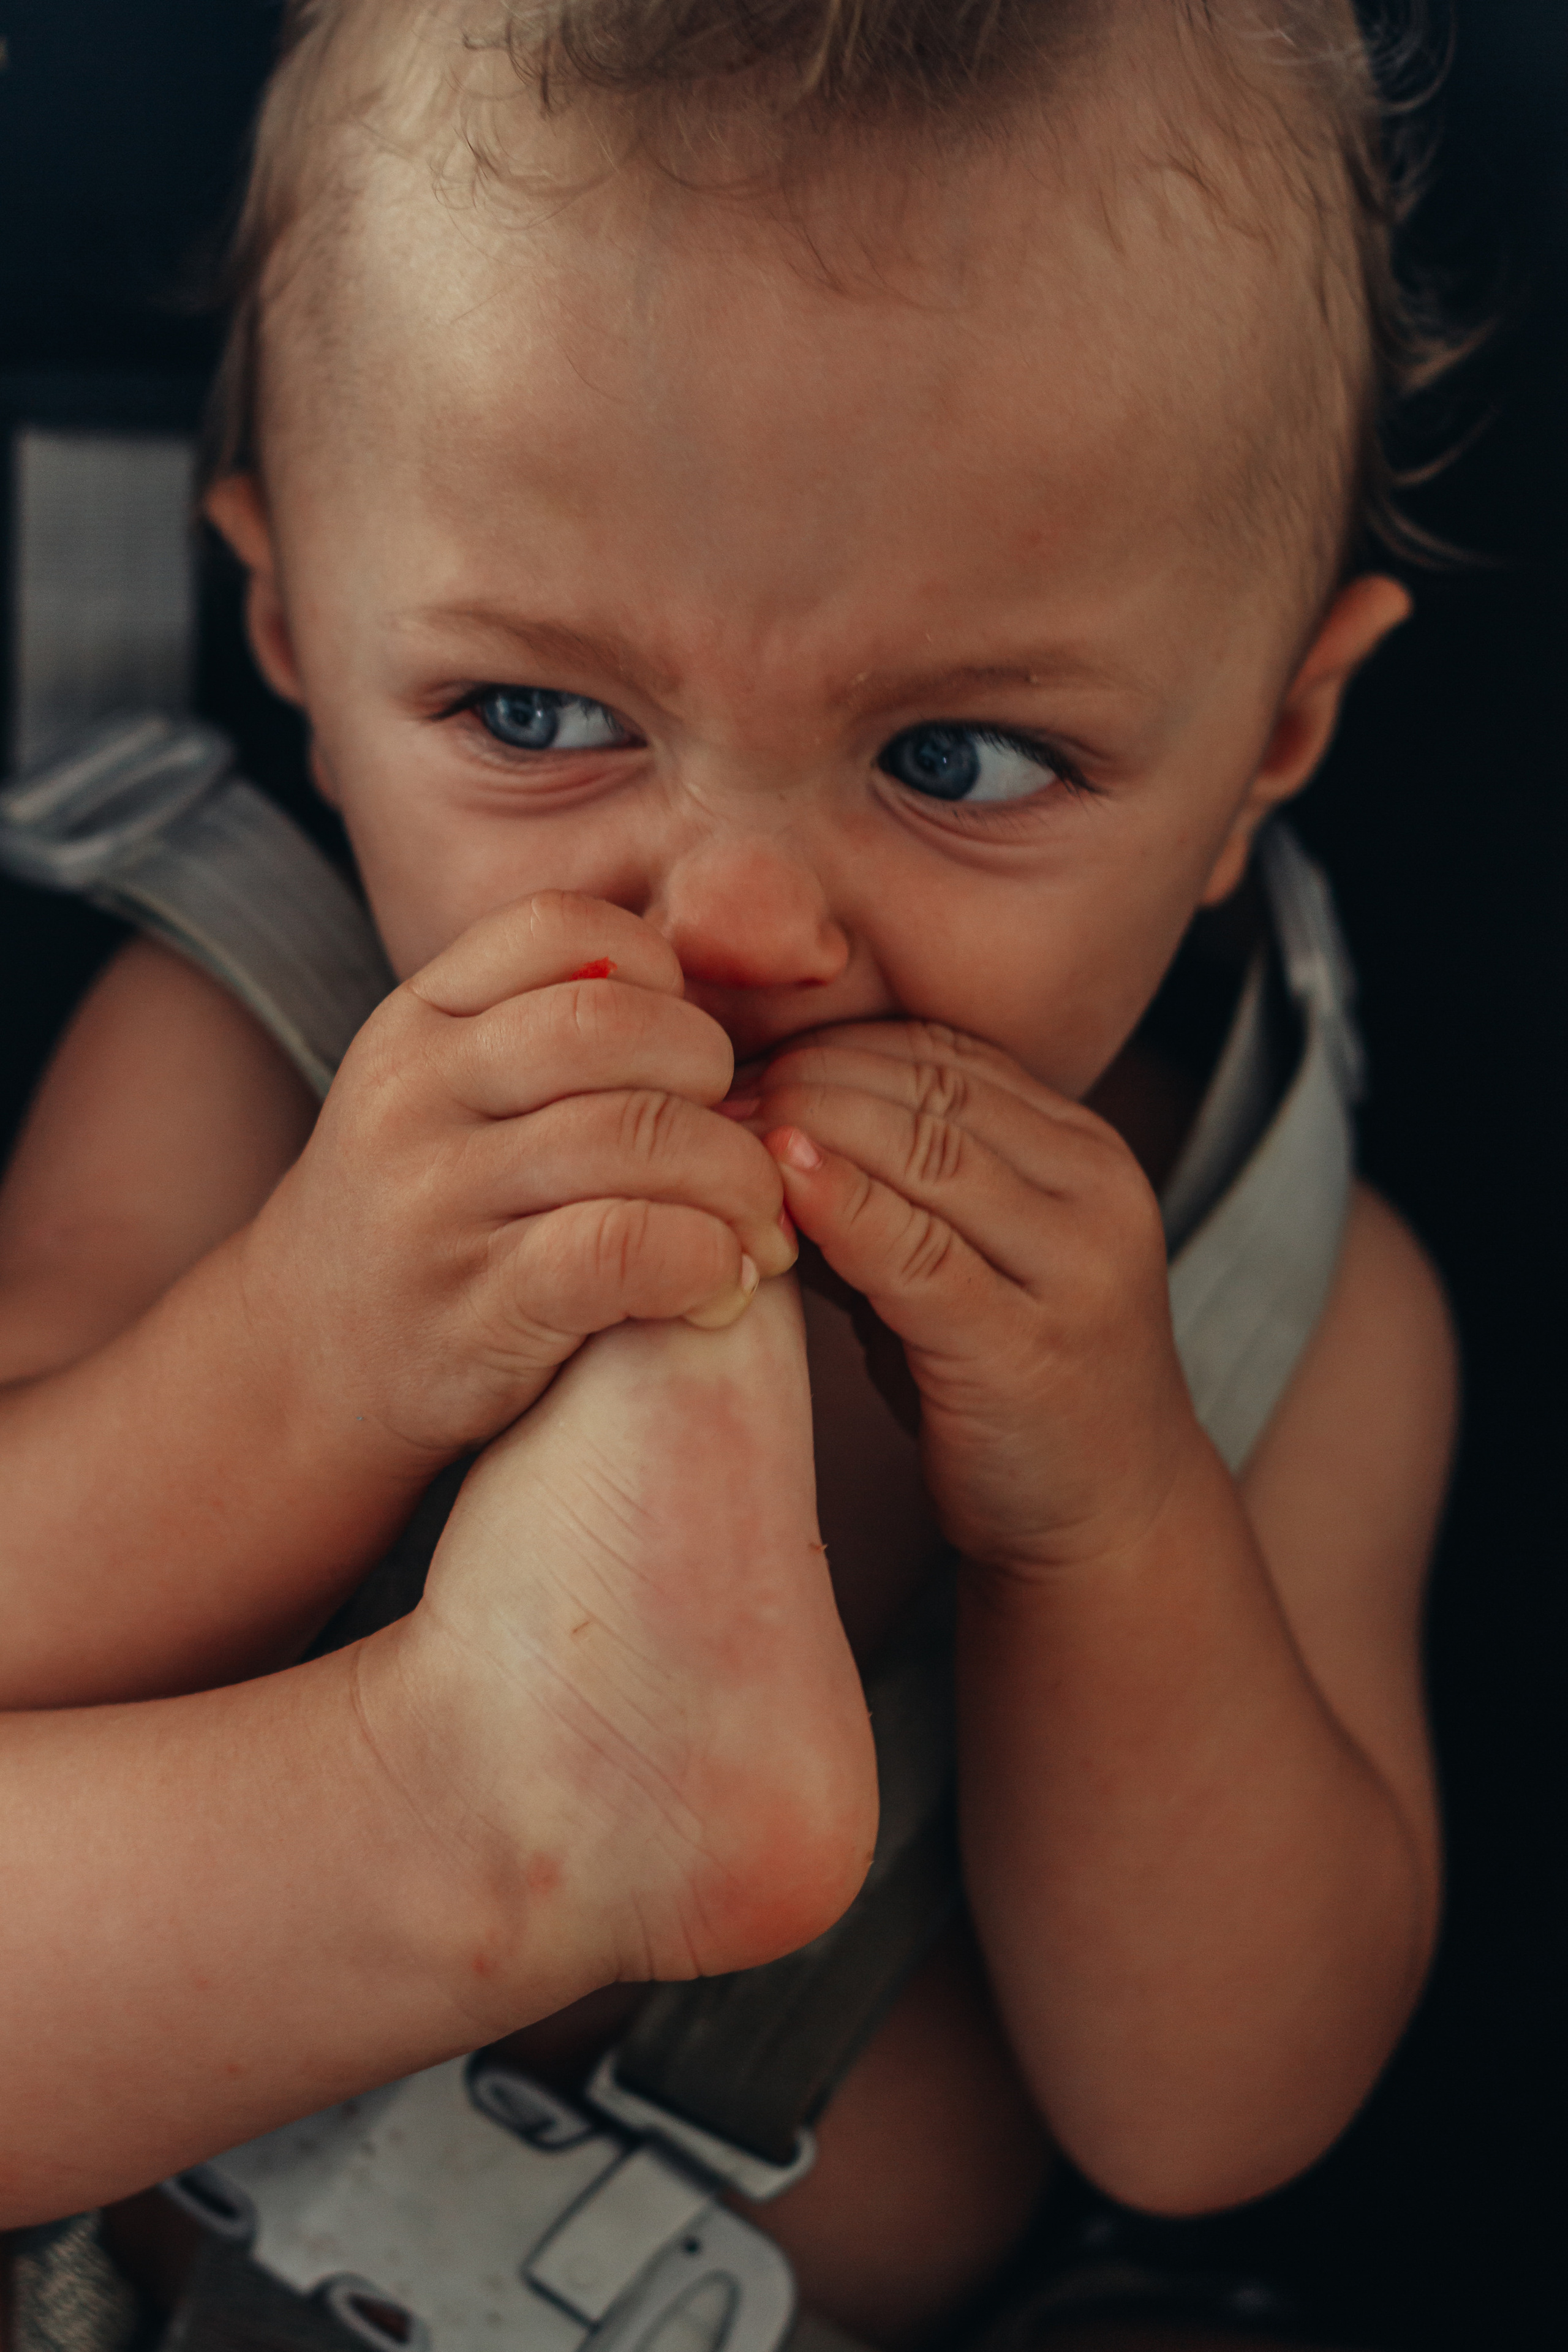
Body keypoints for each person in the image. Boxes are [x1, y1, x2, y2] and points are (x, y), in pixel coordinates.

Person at [0, 2, 1460, 2345]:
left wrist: (1106, 1514)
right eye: (541, 720)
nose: (740, 924)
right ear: (292, 631)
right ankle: (452, 1809)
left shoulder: (1266, 1290)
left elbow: (1211, 2116)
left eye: (962, 759)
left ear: (1272, 733)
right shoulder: (264, 1052)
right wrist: (307, 1356)